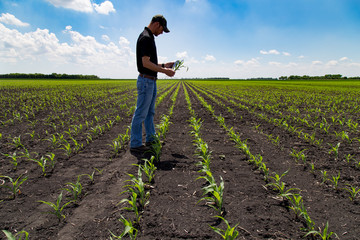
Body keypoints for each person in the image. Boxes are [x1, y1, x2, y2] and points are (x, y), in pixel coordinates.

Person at [130, 15, 176, 153]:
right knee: (141, 113)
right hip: (146, 81)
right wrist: (164, 71)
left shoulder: (149, 37)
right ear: (157, 24)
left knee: (150, 113)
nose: (162, 32)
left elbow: (149, 62)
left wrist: (164, 65)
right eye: (162, 29)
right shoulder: (146, 38)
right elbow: (145, 63)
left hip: (150, 81)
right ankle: (136, 144)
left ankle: (150, 139)